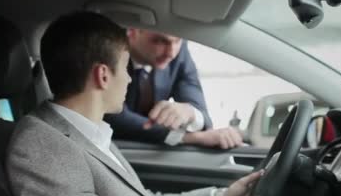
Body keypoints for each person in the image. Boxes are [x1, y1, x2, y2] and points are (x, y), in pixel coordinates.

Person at [6, 11, 332, 196]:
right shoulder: (41, 144)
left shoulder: (89, 131)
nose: (131, 80)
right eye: (126, 68)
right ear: (103, 75)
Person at [104, 28, 243, 149]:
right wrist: (188, 138)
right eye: (159, 41)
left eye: (177, 41)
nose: (171, 53)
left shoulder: (179, 53)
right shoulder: (108, 50)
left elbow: (201, 113)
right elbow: (112, 116)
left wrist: (189, 112)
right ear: (132, 31)